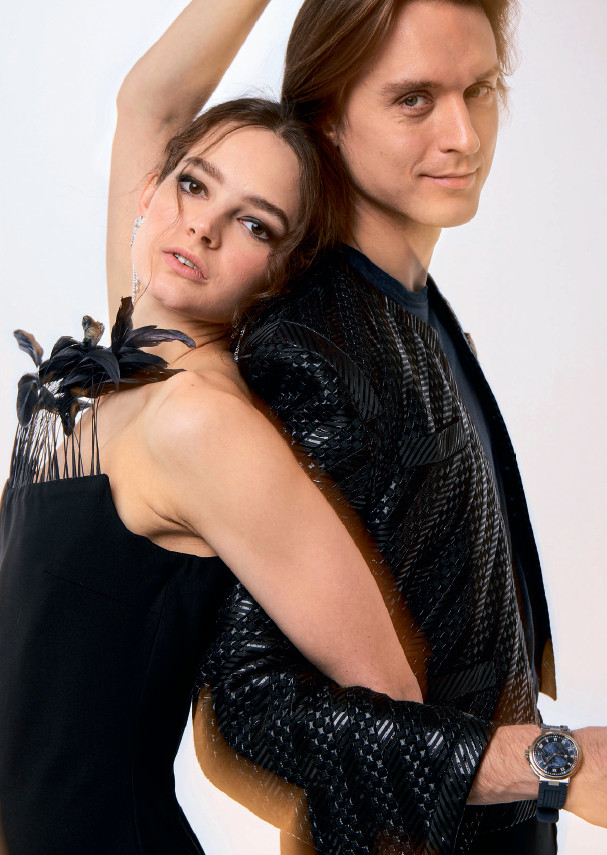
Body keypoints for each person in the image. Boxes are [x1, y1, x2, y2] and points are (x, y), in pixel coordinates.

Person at [105, 0, 607, 853]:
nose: (462, 136)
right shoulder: (308, 351)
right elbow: (255, 711)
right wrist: (557, 764)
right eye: (413, 99)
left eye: (478, 90)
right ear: (326, 121)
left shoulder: (412, 302)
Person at [0, 54, 436, 855]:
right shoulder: (128, 370)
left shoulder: (202, 421)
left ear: (278, 274)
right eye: (194, 185)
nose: (202, 225)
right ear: (149, 191)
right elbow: (148, 102)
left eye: (254, 224)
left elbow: (390, 697)